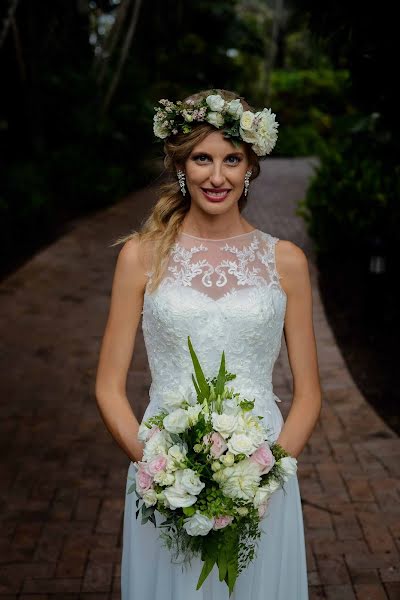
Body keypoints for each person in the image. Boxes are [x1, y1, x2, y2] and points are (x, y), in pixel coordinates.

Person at [95, 88, 322, 599]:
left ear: (249, 168)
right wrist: (160, 471)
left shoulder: (285, 261)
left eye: (231, 159)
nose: (216, 177)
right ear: (182, 165)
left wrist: (261, 480)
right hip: (163, 478)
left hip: (259, 480)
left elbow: (308, 395)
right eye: (202, 158)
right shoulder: (140, 257)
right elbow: (109, 387)